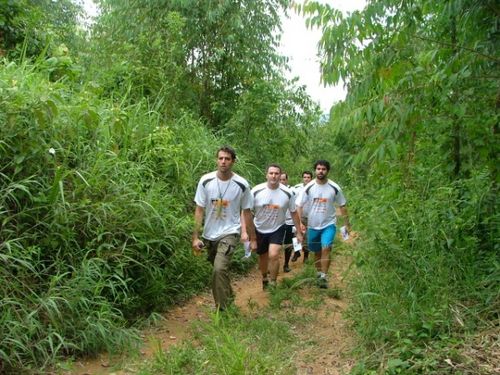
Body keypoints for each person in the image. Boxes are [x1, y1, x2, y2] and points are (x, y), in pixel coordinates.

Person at [192, 146, 257, 310]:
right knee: (219, 270)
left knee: (219, 269)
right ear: (216, 160)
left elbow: (247, 211)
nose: (223, 162)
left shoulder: (242, 184)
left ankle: (222, 310)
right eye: (220, 158)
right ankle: (229, 295)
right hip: (209, 234)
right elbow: (199, 209)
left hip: (230, 232)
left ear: (233, 161)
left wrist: (252, 237)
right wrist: (195, 236)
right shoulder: (205, 181)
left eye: (227, 159)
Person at [296, 161, 351, 288]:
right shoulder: (308, 187)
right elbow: (299, 205)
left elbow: (342, 205)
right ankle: (319, 272)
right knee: (316, 252)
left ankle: (324, 277)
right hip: (313, 225)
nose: (321, 171)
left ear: (328, 171)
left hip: (329, 224)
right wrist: (299, 223)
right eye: (318, 169)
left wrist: (347, 223)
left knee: (326, 247)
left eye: (323, 169)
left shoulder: (334, 187)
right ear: (315, 170)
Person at [252, 164, 303, 289]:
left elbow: (293, 211)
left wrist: (299, 232)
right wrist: (246, 232)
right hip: (260, 227)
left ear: (280, 176)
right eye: (271, 173)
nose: (273, 176)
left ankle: (273, 282)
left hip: (278, 227)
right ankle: (264, 278)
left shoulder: (288, 193)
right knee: (263, 256)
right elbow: (247, 211)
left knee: (274, 255)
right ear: (266, 175)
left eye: (276, 173)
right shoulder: (255, 191)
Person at [292, 171, 313, 262]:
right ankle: (297, 252)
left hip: (311, 216)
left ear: (311, 178)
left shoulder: (315, 187)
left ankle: (306, 256)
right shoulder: (297, 188)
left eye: (308, 177)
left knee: (308, 236)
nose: (306, 179)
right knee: (296, 233)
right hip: (299, 215)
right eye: (305, 177)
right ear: (302, 178)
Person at [279, 172, 295, 273]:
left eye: (283, 180)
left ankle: (286, 264)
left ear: (287, 180)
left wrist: (298, 224)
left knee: (288, 244)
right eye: (280, 179)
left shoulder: (291, 192)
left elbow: (296, 208)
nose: (281, 182)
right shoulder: (271, 190)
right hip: (276, 223)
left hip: (289, 222)